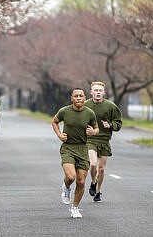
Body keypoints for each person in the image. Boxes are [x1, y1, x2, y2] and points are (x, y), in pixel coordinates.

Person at [52, 88, 99, 218]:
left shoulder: (89, 113)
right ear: (72, 98)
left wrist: (93, 132)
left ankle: (75, 208)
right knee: (71, 177)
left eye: (81, 96)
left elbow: (96, 128)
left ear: (84, 98)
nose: (78, 98)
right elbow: (54, 121)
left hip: (83, 148)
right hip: (68, 148)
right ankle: (66, 188)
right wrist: (59, 135)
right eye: (76, 96)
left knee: (81, 181)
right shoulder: (64, 111)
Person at [84, 81, 122, 203]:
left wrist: (110, 125)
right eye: (96, 90)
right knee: (93, 164)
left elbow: (118, 123)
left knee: (101, 169)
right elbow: (78, 121)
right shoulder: (85, 105)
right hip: (90, 139)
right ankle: (93, 182)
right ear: (91, 92)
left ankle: (98, 191)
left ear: (104, 92)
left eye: (100, 90)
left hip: (105, 140)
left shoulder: (111, 106)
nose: (98, 92)